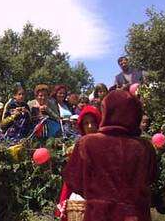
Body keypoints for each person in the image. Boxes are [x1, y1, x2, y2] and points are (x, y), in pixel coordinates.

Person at [63, 90, 157, 221]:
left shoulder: (87, 144)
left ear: (106, 111)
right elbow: (151, 178)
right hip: (137, 215)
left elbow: (74, 181)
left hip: (99, 215)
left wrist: (96, 196)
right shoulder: (146, 148)